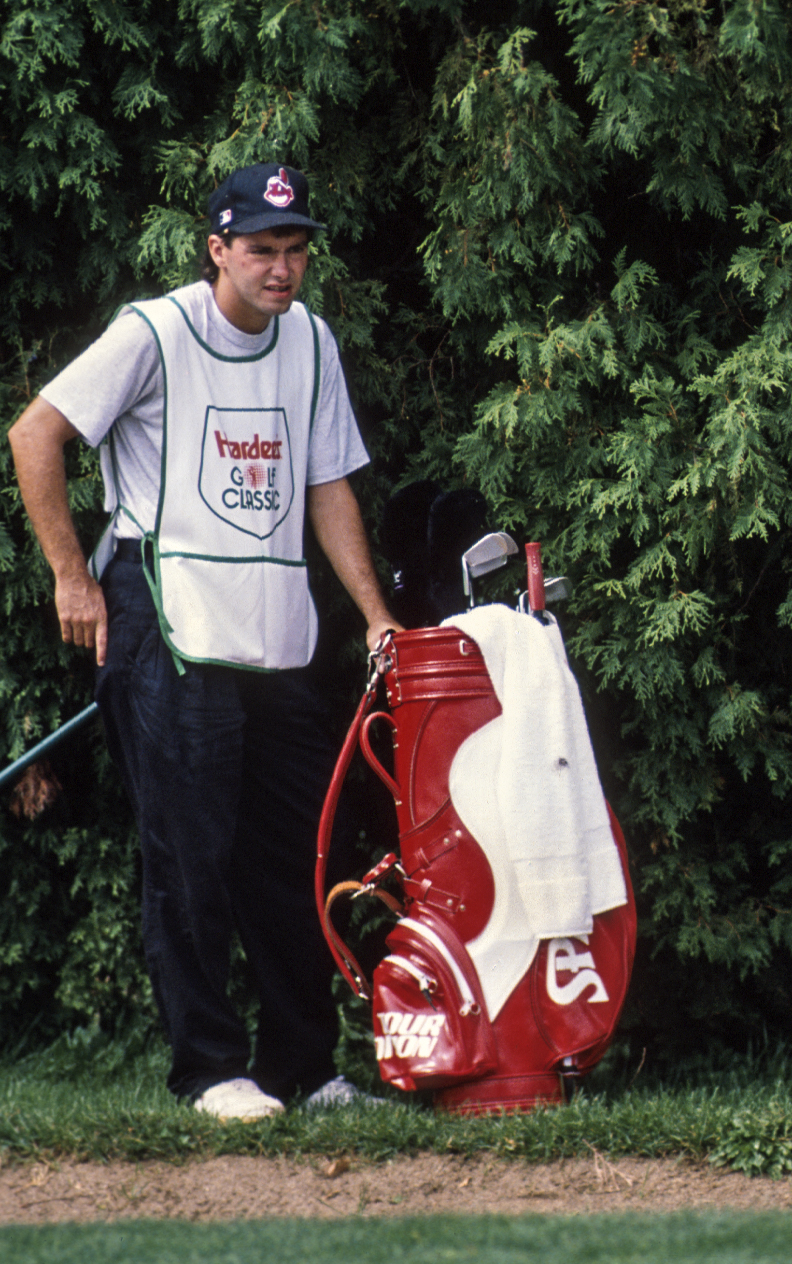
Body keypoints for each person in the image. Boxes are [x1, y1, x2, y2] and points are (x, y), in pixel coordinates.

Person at [8, 163, 404, 1120]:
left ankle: (304, 1071)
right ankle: (210, 1071)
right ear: (218, 248)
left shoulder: (310, 342)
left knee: (297, 858)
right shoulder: (156, 331)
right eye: (262, 250)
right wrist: (72, 576)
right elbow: (34, 436)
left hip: (274, 642)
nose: (281, 269)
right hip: (166, 626)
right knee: (188, 856)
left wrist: (376, 614)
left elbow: (328, 486)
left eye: (295, 250)